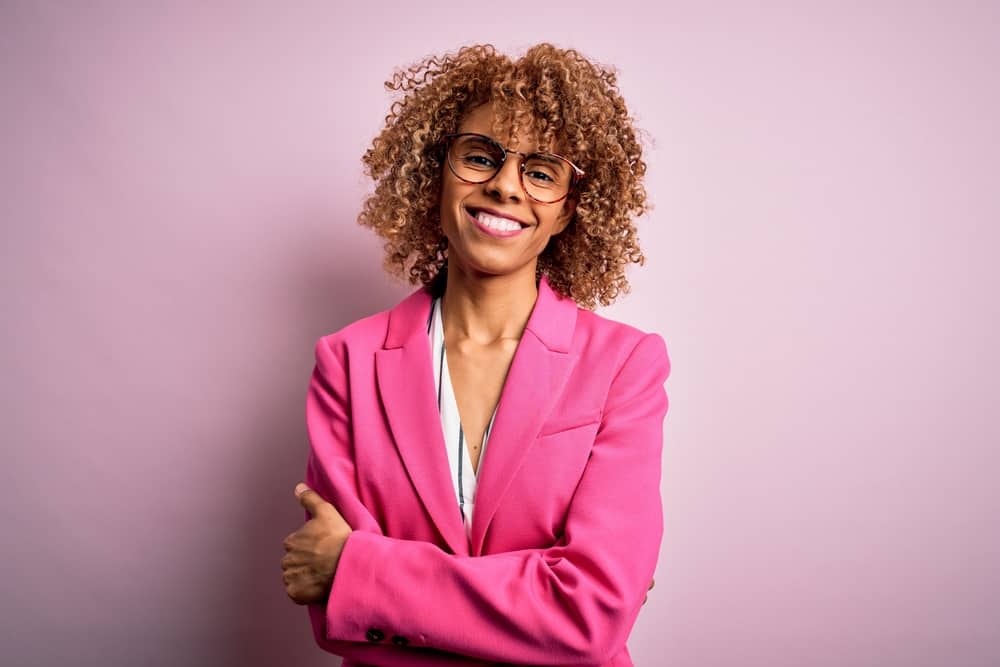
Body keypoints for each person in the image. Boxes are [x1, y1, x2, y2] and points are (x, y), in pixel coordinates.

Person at [281, 42, 671, 667]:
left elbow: (592, 615)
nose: (505, 186)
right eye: (480, 157)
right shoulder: (347, 363)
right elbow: (335, 617)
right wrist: (536, 609)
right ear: (437, 170)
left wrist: (361, 572)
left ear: (570, 208)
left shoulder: (625, 366)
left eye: (541, 172)